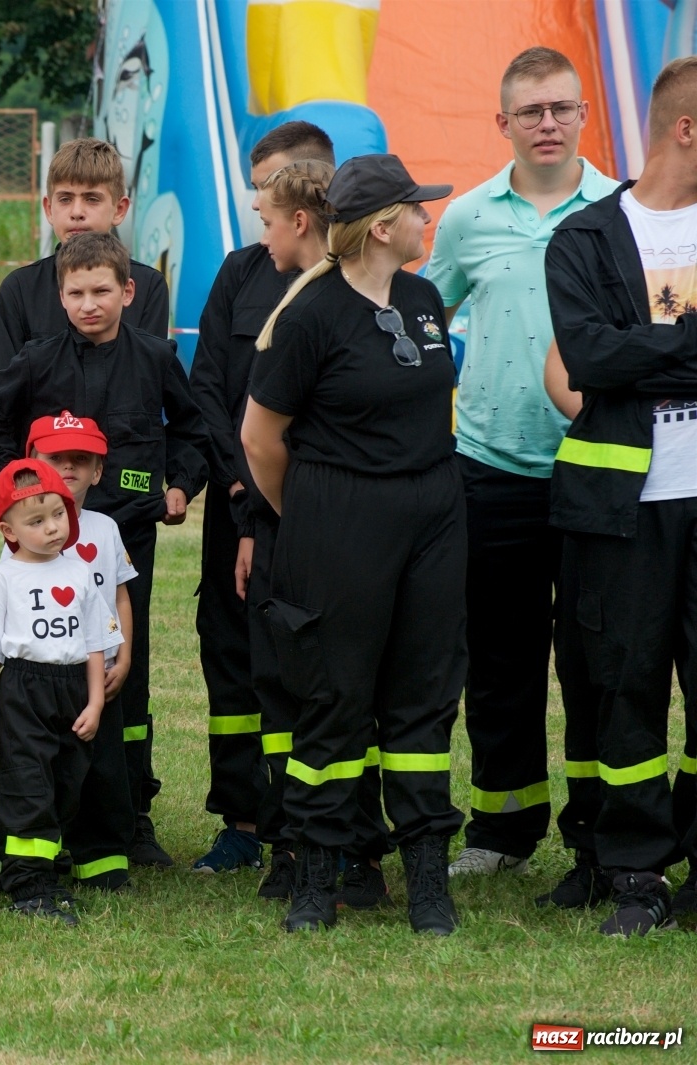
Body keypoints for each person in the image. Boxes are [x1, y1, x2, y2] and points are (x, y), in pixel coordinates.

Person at [242, 154, 464, 935]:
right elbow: (260, 438)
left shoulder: (423, 297)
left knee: (425, 693)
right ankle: (316, 878)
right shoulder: (311, 313)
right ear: (381, 227)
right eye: (417, 209)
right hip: (341, 515)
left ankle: (428, 882)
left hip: (432, 511)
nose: (427, 219)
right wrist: (310, 513)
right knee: (334, 698)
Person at [423, 48, 621, 895]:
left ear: (584, 115)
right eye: (531, 111)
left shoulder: (622, 211)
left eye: (561, 108)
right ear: (502, 122)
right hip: (490, 469)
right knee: (500, 662)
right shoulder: (467, 217)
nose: (547, 124)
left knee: (595, 660)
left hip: (597, 469)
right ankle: (503, 827)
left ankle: (600, 834)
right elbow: (422, 317)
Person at [0, 231, 208, 870]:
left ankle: (128, 817)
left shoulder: (154, 358)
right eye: (76, 293)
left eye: (102, 290)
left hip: (123, 545)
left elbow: (192, 429)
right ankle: (12, 813)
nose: (89, 304)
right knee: (33, 675)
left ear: (128, 292)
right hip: (42, 552)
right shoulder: (37, 360)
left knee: (124, 674)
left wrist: (181, 484)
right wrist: (19, 494)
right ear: (60, 295)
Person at [543, 55, 697, 936]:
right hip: (623, 505)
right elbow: (588, 358)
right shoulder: (586, 238)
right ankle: (635, 870)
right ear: (686, 129)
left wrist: (643, 346)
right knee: (624, 684)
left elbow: (616, 352)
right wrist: (684, 344)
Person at [188, 121, 334, 877]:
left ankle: (308, 822)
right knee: (232, 658)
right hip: (237, 503)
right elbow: (208, 386)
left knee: (305, 663)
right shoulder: (240, 273)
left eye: (270, 189)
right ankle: (242, 819)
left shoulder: (345, 281)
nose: (258, 206)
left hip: (310, 510)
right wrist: (241, 482)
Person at [0, 459, 122, 926]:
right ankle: (28, 886)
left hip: (72, 690)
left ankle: (36, 869)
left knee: (65, 785)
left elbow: (94, 644)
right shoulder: (3, 579)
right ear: (8, 530)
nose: (52, 527)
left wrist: (96, 701)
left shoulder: (80, 573)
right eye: (36, 521)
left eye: (58, 514)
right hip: (23, 690)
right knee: (27, 785)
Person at [18, 412, 139, 892]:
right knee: (46, 768)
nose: (68, 467)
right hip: (44, 676)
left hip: (99, 674)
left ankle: (103, 860)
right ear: (32, 463)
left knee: (104, 769)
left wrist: (123, 656)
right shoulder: (23, 532)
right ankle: (39, 853)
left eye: (80, 459)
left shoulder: (105, 529)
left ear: (98, 471)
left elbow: (121, 595)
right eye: (55, 458)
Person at [0, 138, 171, 386]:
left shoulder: (149, 286)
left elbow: (147, 383)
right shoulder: (19, 289)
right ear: (49, 209)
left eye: (92, 199)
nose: (77, 212)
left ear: (119, 209)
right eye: (65, 199)